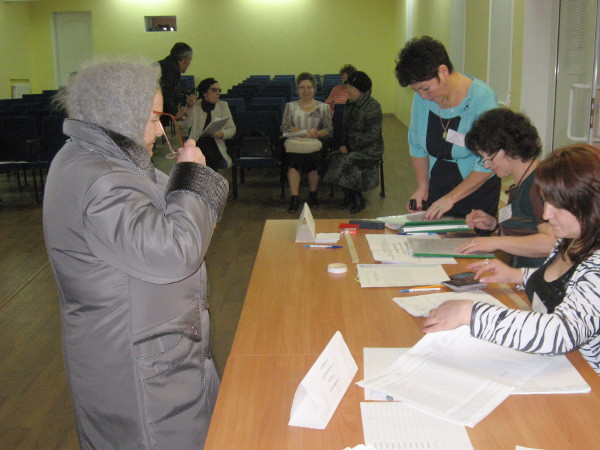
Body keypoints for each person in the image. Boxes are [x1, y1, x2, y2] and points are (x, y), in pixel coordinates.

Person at [43, 58, 228, 448]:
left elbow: (161, 213)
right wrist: (193, 178)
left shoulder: (98, 159)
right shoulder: (103, 180)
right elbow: (175, 252)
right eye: (154, 118)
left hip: (150, 352)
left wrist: (185, 188)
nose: (160, 129)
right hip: (142, 373)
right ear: (120, 115)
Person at [423, 144, 600, 374]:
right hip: (558, 366)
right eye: (546, 202)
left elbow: (562, 333)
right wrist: (517, 275)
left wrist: (470, 313)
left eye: (558, 206)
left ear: (590, 203)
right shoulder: (571, 238)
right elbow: (564, 285)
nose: (546, 214)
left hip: (587, 378)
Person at [395, 35, 501, 220]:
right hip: (438, 184)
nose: (422, 96)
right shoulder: (422, 99)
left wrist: (451, 198)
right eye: (416, 90)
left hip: (476, 189)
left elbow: (489, 160)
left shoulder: (482, 99)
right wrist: (422, 186)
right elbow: (416, 145)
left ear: (443, 72)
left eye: (425, 88)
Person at [455, 108, 557, 267]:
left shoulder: (539, 185)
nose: (487, 165)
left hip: (536, 275)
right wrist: (493, 224)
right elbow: (527, 229)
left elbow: (552, 243)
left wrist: (496, 242)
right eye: (483, 158)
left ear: (510, 147)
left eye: (490, 157)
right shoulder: (522, 182)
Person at [323, 71, 383, 214]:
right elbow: (343, 128)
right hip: (352, 146)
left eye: (350, 87)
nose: (347, 90)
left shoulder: (373, 106)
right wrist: (342, 144)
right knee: (332, 158)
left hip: (370, 149)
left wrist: (349, 146)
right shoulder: (350, 103)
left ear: (360, 89)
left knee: (347, 160)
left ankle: (357, 198)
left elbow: (371, 135)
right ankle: (349, 195)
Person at [281, 72, 333, 213]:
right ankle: (294, 198)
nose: (306, 91)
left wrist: (316, 133)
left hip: (314, 143)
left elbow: (329, 130)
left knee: (313, 162)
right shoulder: (290, 106)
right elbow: (284, 128)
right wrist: (302, 132)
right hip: (296, 143)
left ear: (314, 89)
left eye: (309, 87)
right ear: (297, 89)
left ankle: (313, 195)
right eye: (302, 87)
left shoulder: (323, 107)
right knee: (293, 163)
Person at [181, 77, 236, 170]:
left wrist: (222, 134)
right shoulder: (195, 107)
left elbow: (232, 128)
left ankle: (207, 176)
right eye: (214, 90)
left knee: (209, 155)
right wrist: (189, 107)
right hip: (197, 143)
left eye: (219, 90)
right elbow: (185, 126)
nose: (218, 93)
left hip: (216, 143)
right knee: (202, 152)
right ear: (204, 92)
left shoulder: (223, 106)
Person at [158, 42, 193, 121]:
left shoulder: (161, 65)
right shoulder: (171, 69)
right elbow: (165, 94)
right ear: (186, 60)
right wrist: (175, 112)